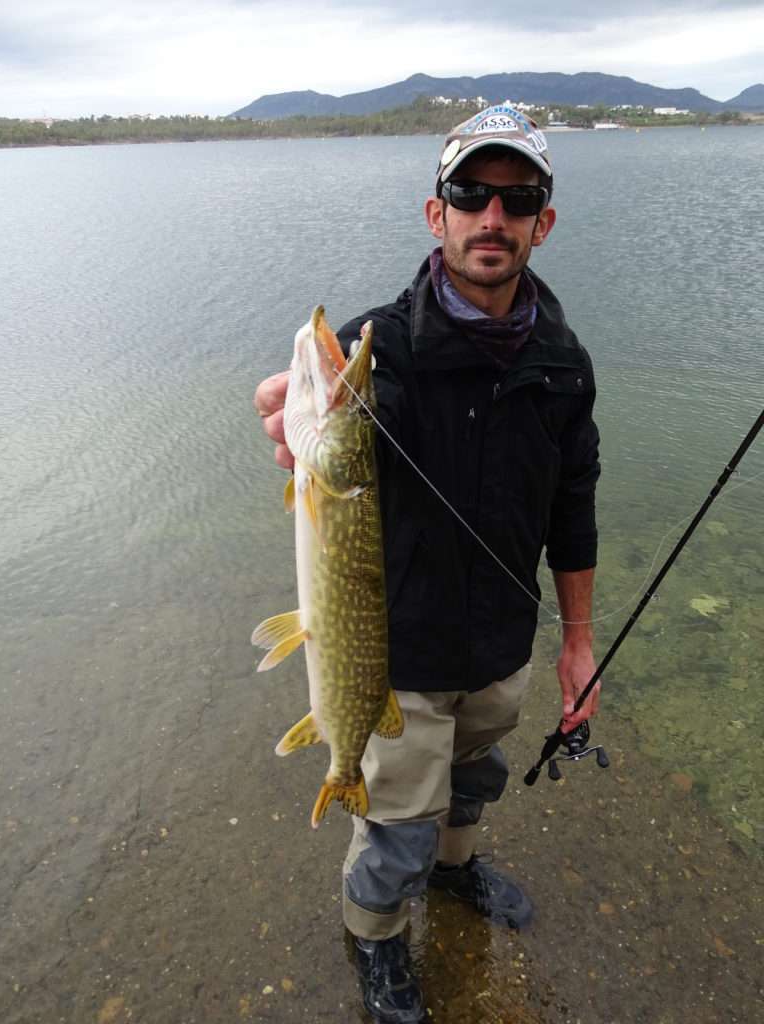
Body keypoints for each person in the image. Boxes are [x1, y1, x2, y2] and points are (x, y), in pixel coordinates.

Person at [255, 103, 601, 1024]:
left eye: (516, 198)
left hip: (498, 648)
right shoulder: (384, 352)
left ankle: (457, 877)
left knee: (473, 786)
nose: (493, 217)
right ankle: (373, 938)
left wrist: (578, 641)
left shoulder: (564, 362)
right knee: (394, 828)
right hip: (394, 657)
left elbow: (574, 506)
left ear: (542, 222)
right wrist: (296, 417)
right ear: (435, 213)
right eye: (469, 195)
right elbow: (317, 433)